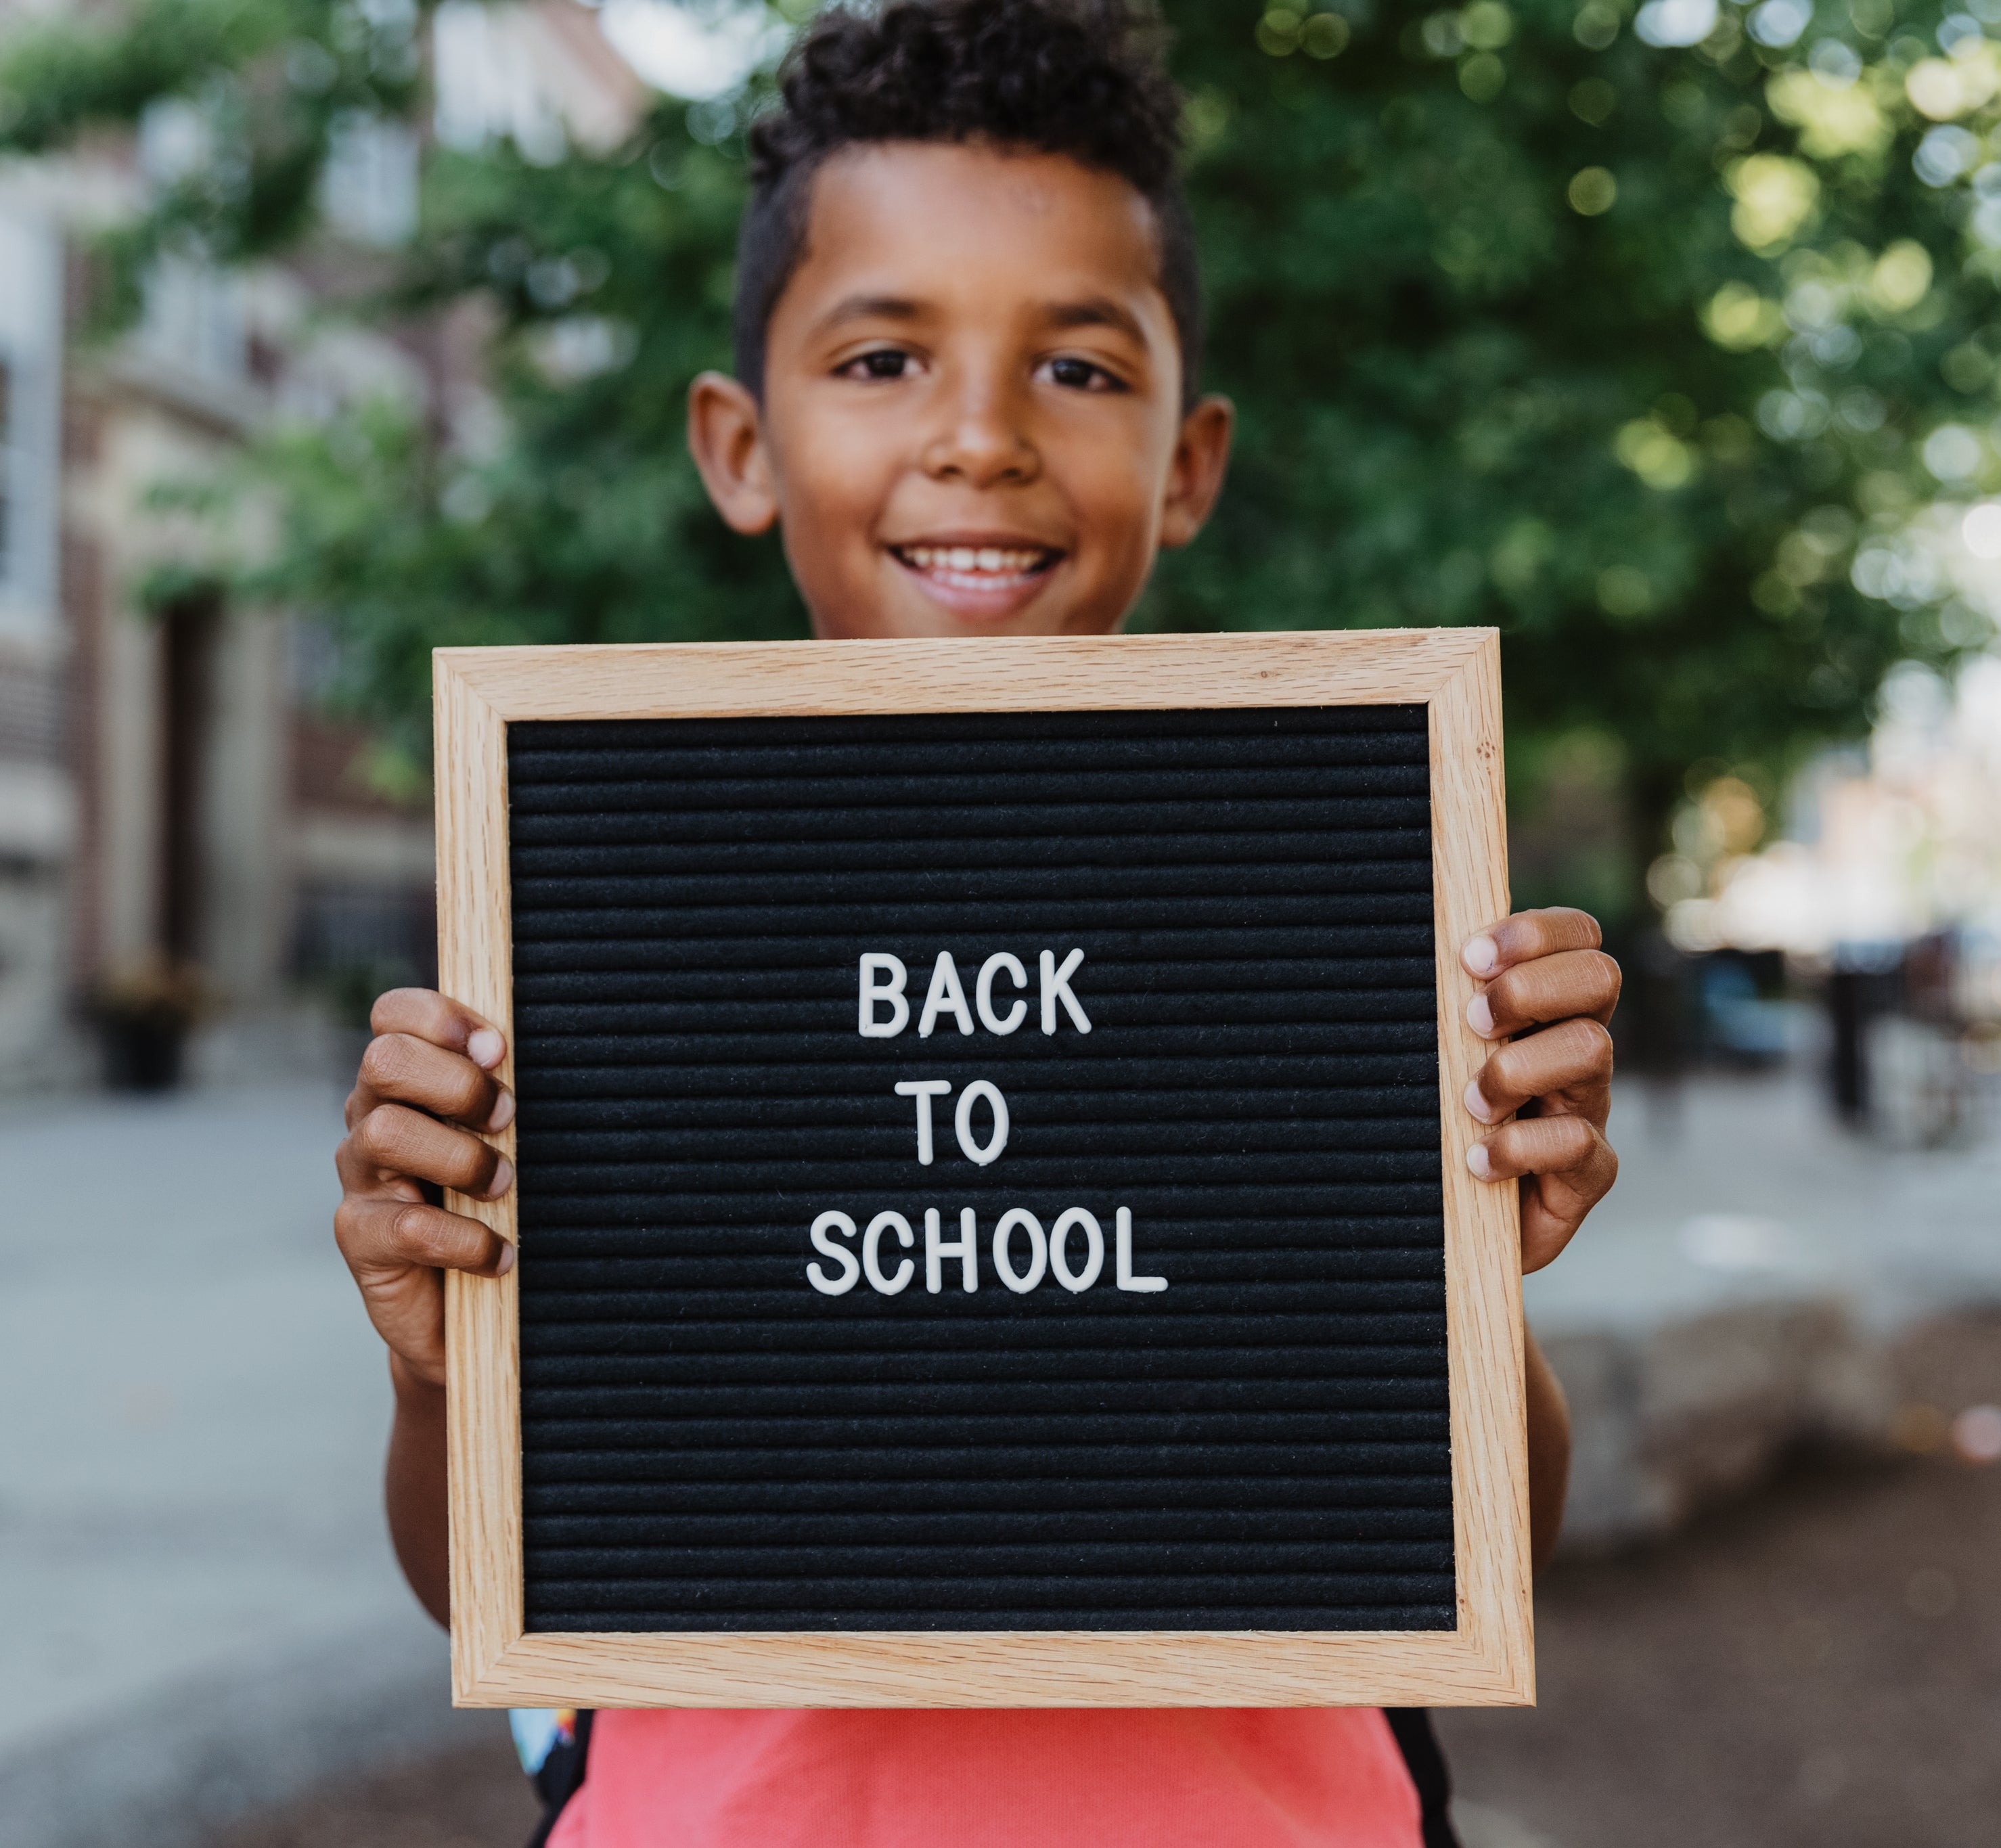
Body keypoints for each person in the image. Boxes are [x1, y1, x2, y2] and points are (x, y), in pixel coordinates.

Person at [334, 3, 1621, 1843]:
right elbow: (488, 1585)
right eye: (878, 358)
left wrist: (1475, 1257)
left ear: (1190, 460)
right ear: (739, 442)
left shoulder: (1309, 907)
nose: (981, 441)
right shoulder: (630, 913)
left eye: (1081, 373)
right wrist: (430, 1361)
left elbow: (1499, 1525)